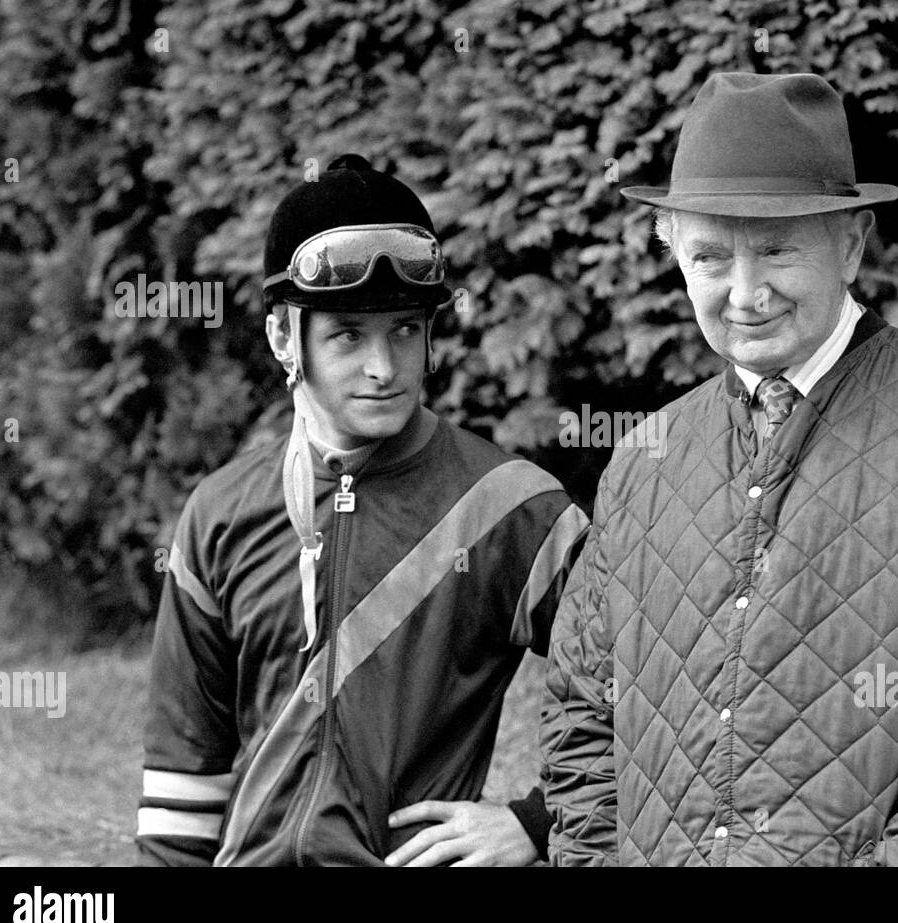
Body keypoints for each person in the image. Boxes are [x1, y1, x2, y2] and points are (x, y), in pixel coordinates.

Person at [541, 73, 898, 866]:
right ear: (672, 250)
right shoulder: (644, 458)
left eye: (776, 248)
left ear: (851, 243)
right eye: (709, 256)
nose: (745, 294)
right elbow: (581, 724)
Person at [137, 154, 588, 866]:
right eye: (348, 335)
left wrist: (536, 823)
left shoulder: (510, 506)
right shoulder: (219, 514)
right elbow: (182, 779)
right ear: (285, 338)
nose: (385, 367)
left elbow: (655, 686)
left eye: (405, 330)